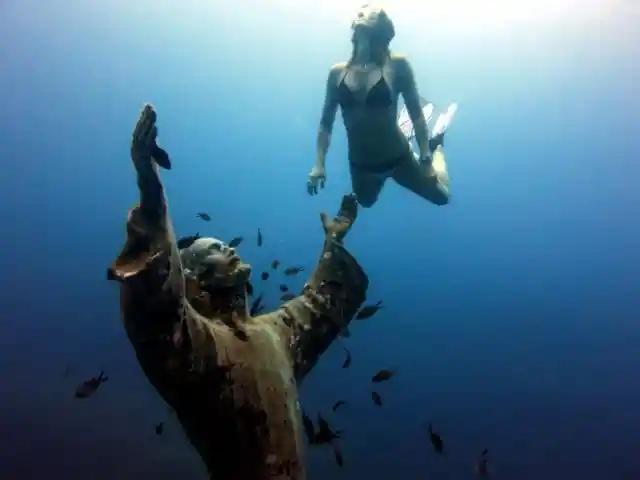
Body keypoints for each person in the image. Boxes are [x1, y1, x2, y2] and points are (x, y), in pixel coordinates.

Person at [107, 104, 369, 479]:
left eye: (225, 244)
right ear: (192, 279)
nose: (229, 249)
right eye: (213, 250)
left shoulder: (276, 333)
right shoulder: (199, 347)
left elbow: (320, 304)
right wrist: (152, 192)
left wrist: (332, 242)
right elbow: (159, 306)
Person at [307, 3, 451, 208]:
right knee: (365, 202)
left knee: (442, 198)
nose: (361, 13)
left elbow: (417, 115)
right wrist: (319, 165)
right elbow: (325, 123)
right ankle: (407, 133)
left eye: (369, 11)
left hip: (400, 158)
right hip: (362, 166)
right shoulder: (337, 73)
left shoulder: (398, 65)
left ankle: (437, 147)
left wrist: (427, 158)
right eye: (360, 11)